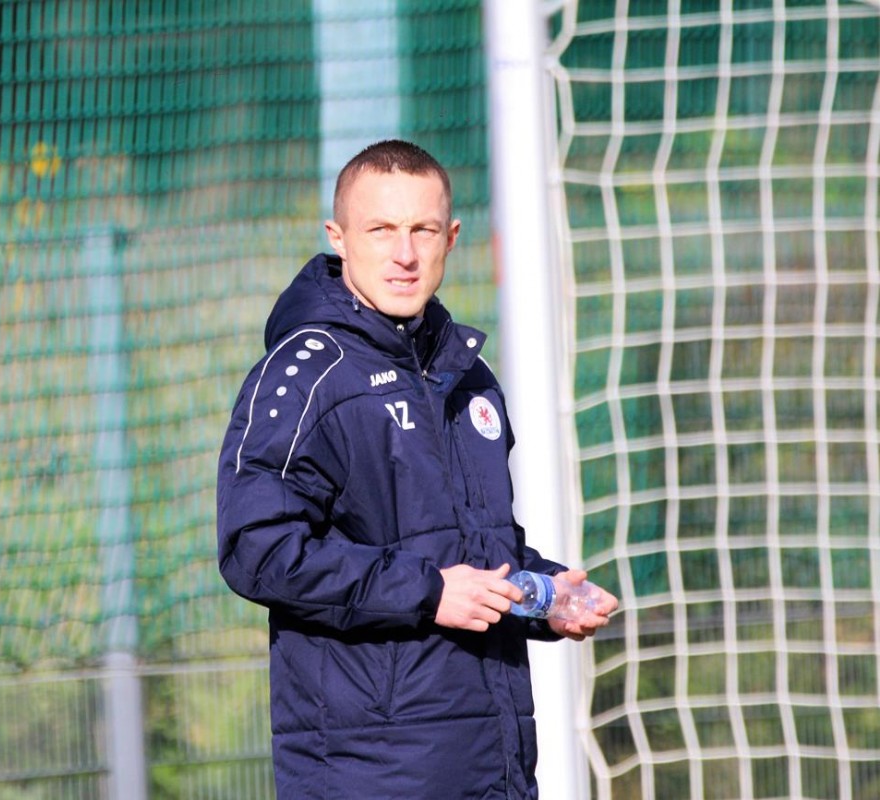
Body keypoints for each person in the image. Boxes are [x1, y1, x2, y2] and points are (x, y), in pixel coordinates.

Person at [216, 139, 618, 799]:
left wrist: (541, 595)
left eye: (422, 230)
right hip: (370, 774)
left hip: (494, 767)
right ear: (339, 238)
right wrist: (428, 592)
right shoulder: (306, 376)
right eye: (381, 230)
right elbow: (256, 550)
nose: (404, 254)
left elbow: (467, 550)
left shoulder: (468, 376)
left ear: (451, 238)